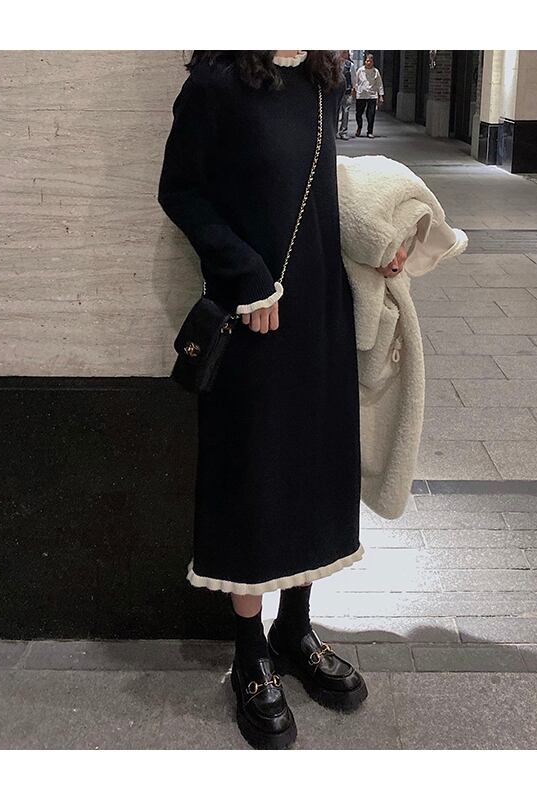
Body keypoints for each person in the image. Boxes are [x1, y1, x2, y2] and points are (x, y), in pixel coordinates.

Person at [158, 50, 406, 750]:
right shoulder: (216, 83)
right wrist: (245, 274)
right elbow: (180, 190)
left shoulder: (323, 80)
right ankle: (249, 652)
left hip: (319, 316)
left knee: (313, 469)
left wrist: (383, 240)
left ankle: (295, 630)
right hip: (254, 321)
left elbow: (327, 188)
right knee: (254, 477)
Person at [352, 52, 384, 138]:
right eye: (367, 61)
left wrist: (381, 95)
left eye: (370, 61)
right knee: (359, 113)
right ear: (365, 61)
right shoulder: (360, 70)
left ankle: (370, 131)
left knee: (371, 114)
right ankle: (359, 127)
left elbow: (379, 84)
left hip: (372, 95)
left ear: (373, 62)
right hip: (361, 95)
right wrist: (354, 90)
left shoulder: (376, 71)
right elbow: (355, 82)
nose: (368, 63)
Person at [337, 50, 354, 139]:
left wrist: (353, 89)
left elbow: (353, 78)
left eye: (345, 52)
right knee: (335, 111)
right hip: (336, 91)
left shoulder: (350, 65)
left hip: (347, 91)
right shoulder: (334, 63)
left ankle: (343, 131)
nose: (343, 54)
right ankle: (334, 131)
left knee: (345, 111)